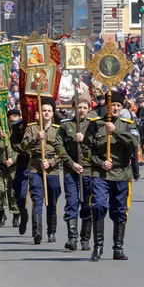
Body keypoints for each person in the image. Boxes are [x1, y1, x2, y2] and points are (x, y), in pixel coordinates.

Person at [86, 90, 139, 261]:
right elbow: (87, 150)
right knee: (99, 205)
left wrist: (115, 131)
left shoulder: (128, 124)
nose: (114, 108)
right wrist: (100, 162)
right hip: (101, 172)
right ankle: (98, 247)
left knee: (119, 210)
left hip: (121, 172)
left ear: (122, 107)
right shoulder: (95, 125)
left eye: (117, 105)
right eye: (112, 105)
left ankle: (118, 248)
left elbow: (134, 143)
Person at [56, 93, 93, 250]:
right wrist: (71, 163)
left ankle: (85, 238)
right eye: (79, 107)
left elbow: (99, 145)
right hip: (71, 170)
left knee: (87, 204)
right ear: (73, 108)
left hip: (89, 170)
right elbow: (58, 146)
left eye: (85, 107)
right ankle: (72, 238)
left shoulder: (93, 126)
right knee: (71, 202)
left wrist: (84, 139)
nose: (82, 110)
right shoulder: (65, 126)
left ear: (89, 109)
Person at [22, 97, 62, 244]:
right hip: (35, 166)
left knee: (52, 201)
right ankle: (37, 231)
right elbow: (24, 146)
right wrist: (36, 139)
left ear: (53, 113)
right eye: (44, 110)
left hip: (52, 168)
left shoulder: (58, 130)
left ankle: (51, 232)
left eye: (49, 111)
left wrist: (50, 162)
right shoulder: (31, 128)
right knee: (37, 198)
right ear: (39, 112)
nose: (46, 113)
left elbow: (61, 152)